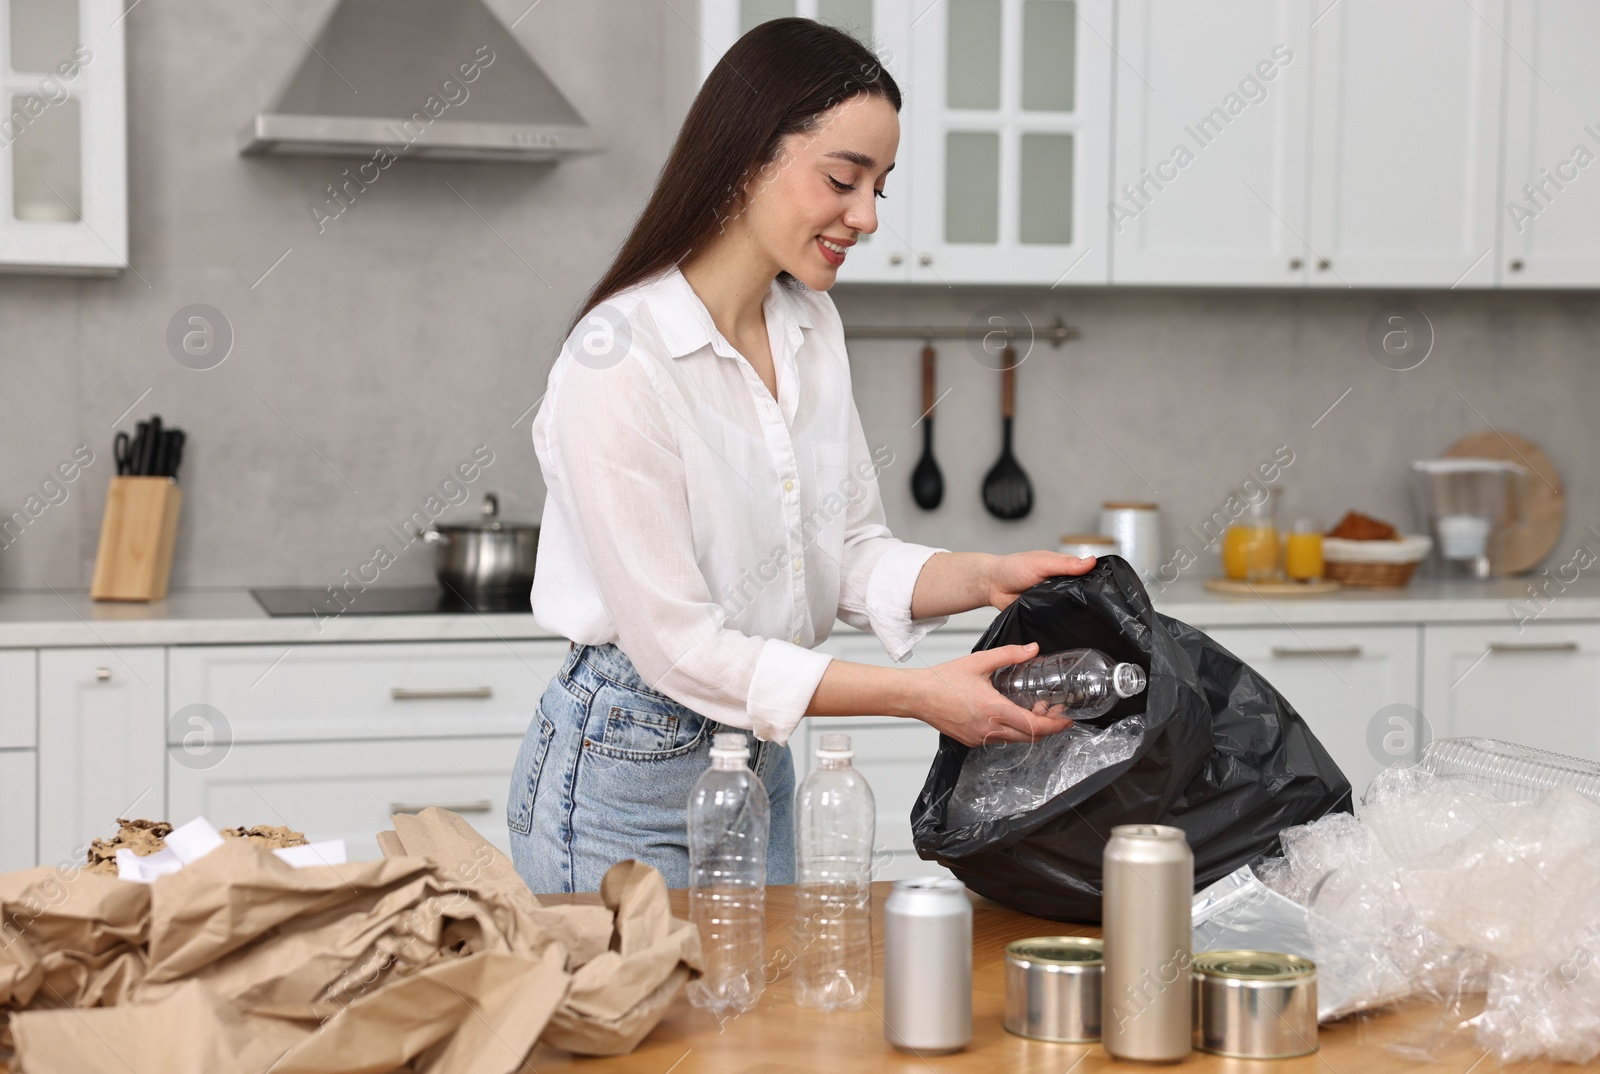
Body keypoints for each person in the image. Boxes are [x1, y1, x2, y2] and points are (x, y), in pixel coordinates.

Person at [509, 17, 1092, 894]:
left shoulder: (810, 326)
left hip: (756, 753)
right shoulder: (620, 356)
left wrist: (984, 576)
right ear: (747, 157)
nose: (865, 216)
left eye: (879, 187)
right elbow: (679, 650)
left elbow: (844, 549)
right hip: (626, 764)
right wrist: (923, 695)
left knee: (752, 1029)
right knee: (647, 1030)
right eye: (842, 179)